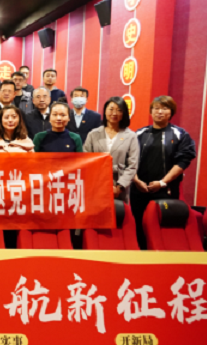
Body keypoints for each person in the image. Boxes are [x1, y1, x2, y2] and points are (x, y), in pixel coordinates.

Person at [131, 96, 196, 249]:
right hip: (139, 189)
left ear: (171, 112)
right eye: (156, 108)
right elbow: (129, 160)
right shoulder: (139, 133)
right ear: (151, 111)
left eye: (164, 108)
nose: (159, 112)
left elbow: (183, 162)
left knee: (161, 228)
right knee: (138, 227)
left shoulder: (180, 134)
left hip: (166, 190)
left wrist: (162, 182)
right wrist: (136, 180)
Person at [84, 97, 139, 202]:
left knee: (118, 211)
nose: (114, 113)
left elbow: (132, 166)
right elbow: (86, 160)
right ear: (105, 111)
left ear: (124, 113)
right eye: (111, 109)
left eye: (119, 110)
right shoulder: (93, 134)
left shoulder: (131, 136)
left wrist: (119, 187)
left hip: (120, 188)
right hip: (96, 184)